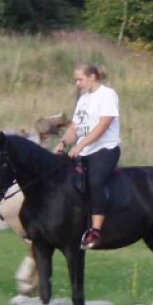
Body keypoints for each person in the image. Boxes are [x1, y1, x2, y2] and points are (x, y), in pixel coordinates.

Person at [56, 63, 121, 250]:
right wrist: (63, 143)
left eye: (80, 79)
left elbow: (103, 125)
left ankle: (95, 230)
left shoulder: (107, 94)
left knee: (95, 182)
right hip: (83, 150)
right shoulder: (83, 99)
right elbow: (75, 127)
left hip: (104, 150)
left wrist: (80, 145)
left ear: (92, 77)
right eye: (76, 80)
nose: (77, 83)